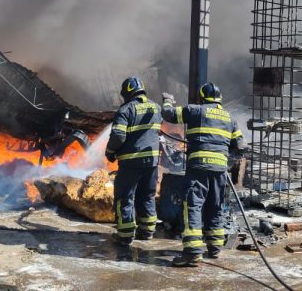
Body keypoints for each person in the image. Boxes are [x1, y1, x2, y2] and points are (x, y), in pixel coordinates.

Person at [161, 82, 245, 267]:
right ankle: (214, 248)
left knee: (192, 207)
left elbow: (168, 114)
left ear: (201, 97)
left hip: (198, 167)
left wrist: (167, 101)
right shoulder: (230, 118)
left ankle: (192, 253)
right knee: (214, 206)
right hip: (219, 170)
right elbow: (240, 147)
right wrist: (226, 162)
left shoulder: (195, 110)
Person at [105, 76, 163, 246]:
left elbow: (118, 136)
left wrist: (110, 152)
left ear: (126, 93)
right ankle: (147, 231)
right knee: (147, 195)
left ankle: (125, 235)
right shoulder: (156, 107)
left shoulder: (126, 110)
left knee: (125, 197)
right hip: (152, 161)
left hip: (131, 162)